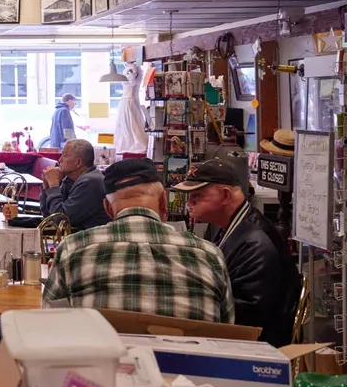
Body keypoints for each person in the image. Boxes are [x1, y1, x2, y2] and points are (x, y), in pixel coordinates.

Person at [43, 158, 234, 323]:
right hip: (187, 364)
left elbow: (51, 322)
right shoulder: (211, 255)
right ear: (164, 202)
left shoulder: (73, 248)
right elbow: (227, 330)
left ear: (108, 209)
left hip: (106, 363)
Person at [172, 158, 299, 347]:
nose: (189, 203)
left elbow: (248, 317)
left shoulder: (255, 243)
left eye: (197, 195)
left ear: (224, 195)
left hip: (259, 349)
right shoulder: (235, 226)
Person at [40, 140, 109, 231]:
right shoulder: (69, 180)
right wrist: (47, 187)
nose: (59, 160)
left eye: (64, 156)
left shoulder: (91, 182)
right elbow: (49, 218)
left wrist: (53, 186)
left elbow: (60, 220)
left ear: (78, 163)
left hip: (91, 241)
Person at [113, 59, 148, 154]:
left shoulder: (134, 69)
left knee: (132, 123)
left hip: (130, 100)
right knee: (127, 124)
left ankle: (133, 144)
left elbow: (132, 83)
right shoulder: (133, 69)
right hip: (128, 99)